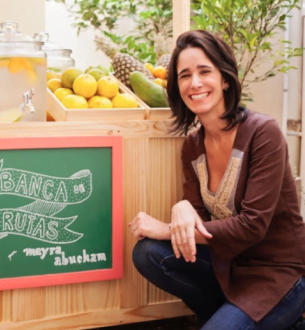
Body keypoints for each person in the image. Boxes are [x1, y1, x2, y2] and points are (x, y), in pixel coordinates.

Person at [129, 30, 305, 330]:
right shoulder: (193, 145)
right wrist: (182, 207)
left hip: (278, 275)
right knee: (148, 253)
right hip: (228, 267)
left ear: (225, 79)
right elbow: (197, 219)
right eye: (185, 75)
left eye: (204, 71)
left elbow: (252, 226)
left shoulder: (264, 133)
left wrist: (166, 228)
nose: (194, 83)